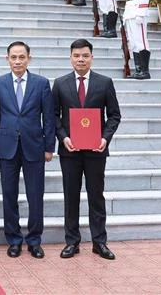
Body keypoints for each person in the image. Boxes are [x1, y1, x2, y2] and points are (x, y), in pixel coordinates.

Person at [52, 38, 121, 260]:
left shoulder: (105, 82)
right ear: (70, 57)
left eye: (85, 55)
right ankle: (72, 242)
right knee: (71, 196)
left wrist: (105, 138)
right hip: (70, 151)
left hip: (96, 150)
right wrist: (63, 138)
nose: (81, 59)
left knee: (96, 196)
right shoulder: (60, 83)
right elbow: (53, 115)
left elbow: (114, 115)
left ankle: (99, 242)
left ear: (91, 57)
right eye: (76, 55)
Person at [0, 41, 54, 259]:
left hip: (34, 146)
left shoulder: (41, 83)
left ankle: (34, 240)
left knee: (35, 195)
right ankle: (14, 240)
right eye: (13, 57)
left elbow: (49, 117)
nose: (17, 61)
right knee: (9, 195)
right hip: (7, 148)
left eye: (21, 57)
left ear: (29, 58)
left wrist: (49, 147)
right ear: (7, 58)